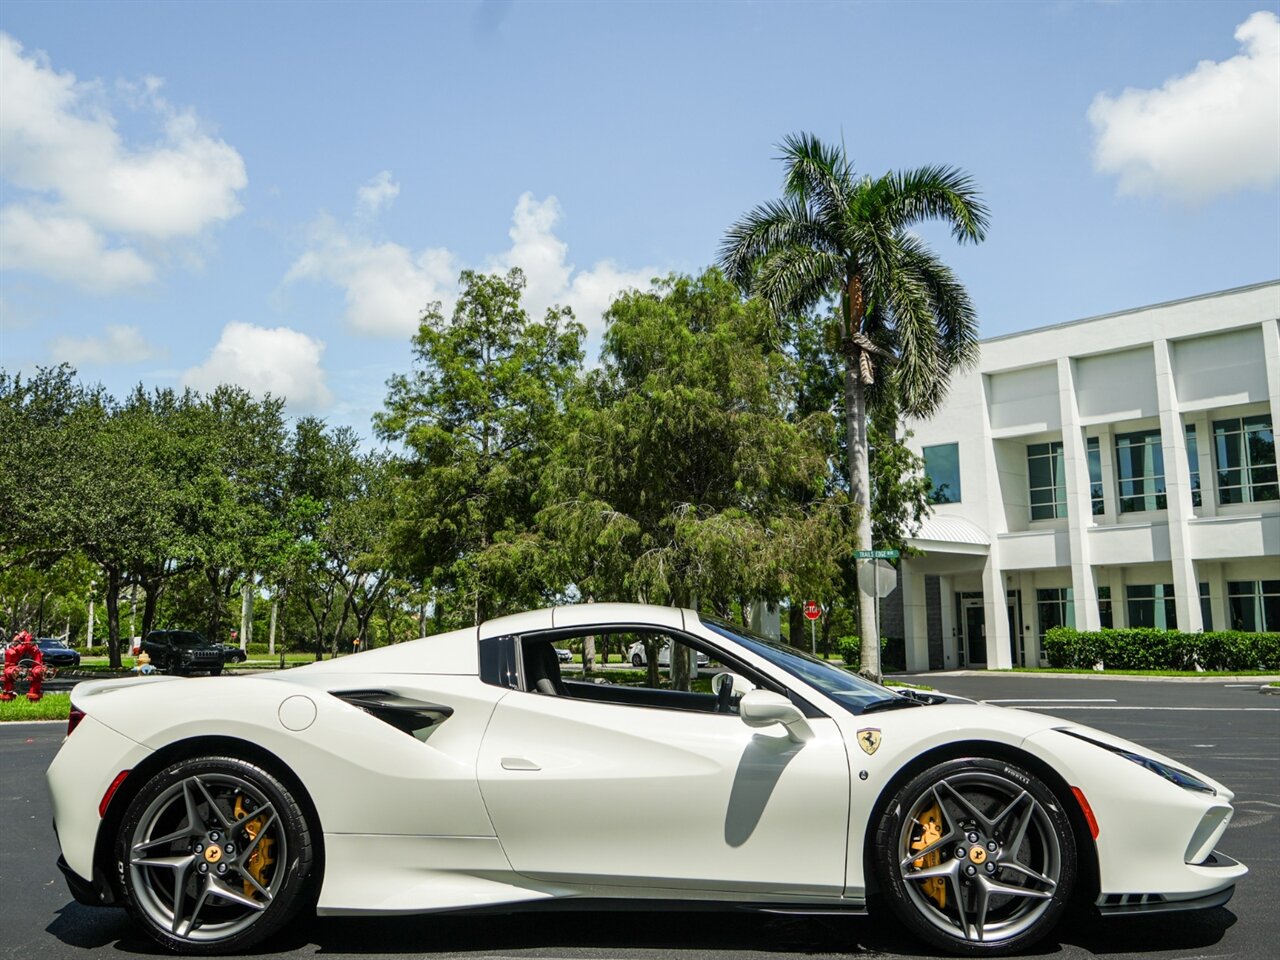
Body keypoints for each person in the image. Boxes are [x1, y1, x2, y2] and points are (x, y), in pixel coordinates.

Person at [1, 630, 46, 702]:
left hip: (28, 662)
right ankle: (8, 694)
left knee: (37, 672)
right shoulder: (12, 651)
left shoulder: (34, 650)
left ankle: (34, 696)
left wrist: (38, 669)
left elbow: (37, 655)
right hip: (13, 665)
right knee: (11, 654)